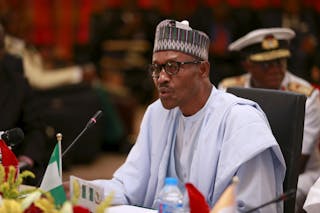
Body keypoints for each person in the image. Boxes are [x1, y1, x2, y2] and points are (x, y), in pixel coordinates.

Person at [65, 19, 286, 212]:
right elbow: (128, 186)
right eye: (156, 68)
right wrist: (79, 191)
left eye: (172, 66)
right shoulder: (157, 114)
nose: (161, 78)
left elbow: (255, 208)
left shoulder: (241, 122)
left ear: (203, 70)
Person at [218, 27, 320, 213]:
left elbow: (297, 161)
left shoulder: (307, 96)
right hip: (241, 171)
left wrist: (257, 185)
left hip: (297, 174)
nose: (275, 69)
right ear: (248, 64)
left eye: (280, 61)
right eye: (266, 63)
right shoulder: (228, 90)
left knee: (274, 197)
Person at [0, 23, 48, 185]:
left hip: (9, 169)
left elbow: (35, 128)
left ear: (2, 53)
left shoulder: (18, 85)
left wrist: (26, 158)